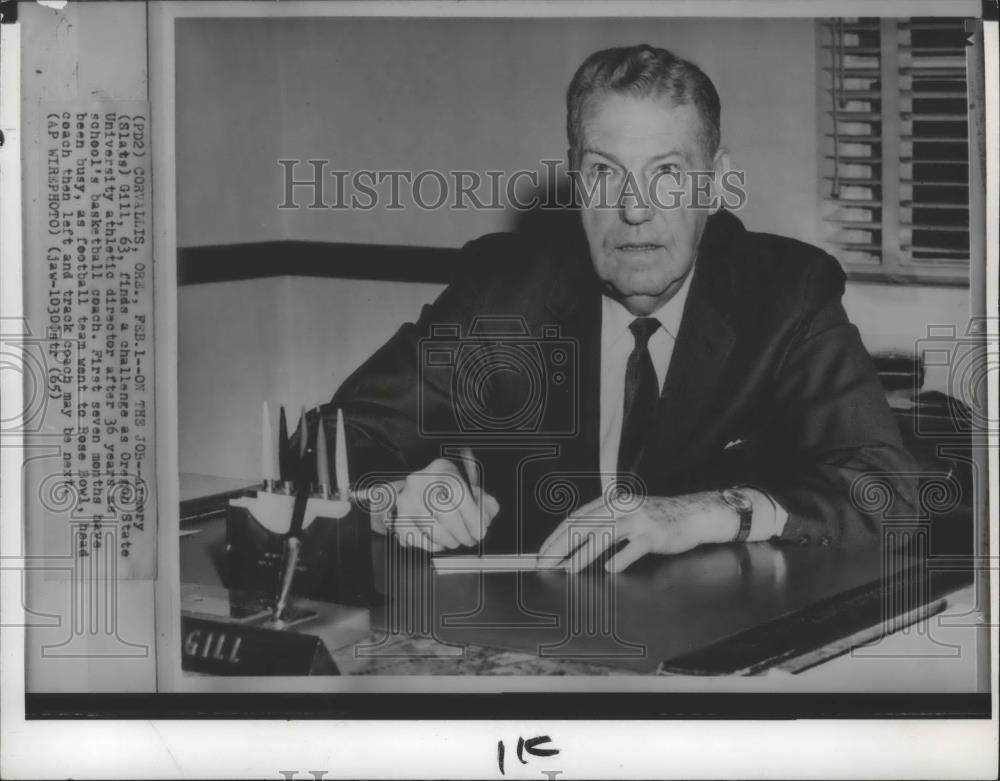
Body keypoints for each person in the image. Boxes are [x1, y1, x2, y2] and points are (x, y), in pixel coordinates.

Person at [302, 44, 919, 571]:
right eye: (605, 173)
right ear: (574, 182)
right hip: (534, 637)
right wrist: (393, 498)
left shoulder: (787, 294)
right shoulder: (503, 290)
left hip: (717, 650)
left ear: (716, 184)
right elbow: (329, 440)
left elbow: (887, 492)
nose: (634, 208)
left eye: (669, 174)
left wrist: (702, 513)